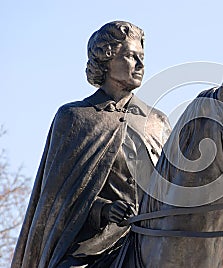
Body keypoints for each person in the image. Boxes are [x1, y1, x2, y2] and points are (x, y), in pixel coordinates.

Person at [11, 21, 171, 268]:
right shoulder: (75, 117)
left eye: (142, 57)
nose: (140, 65)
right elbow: (59, 197)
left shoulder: (157, 121)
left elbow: (174, 186)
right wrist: (103, 210)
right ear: (106, 60)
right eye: (130, 56)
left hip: (157, 236)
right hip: (99, 244)